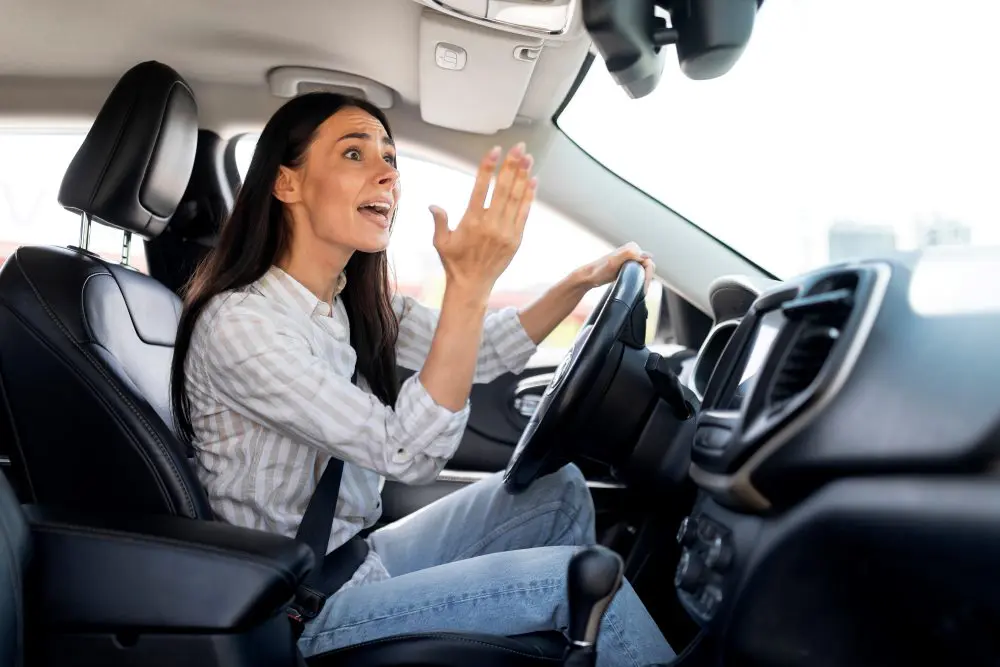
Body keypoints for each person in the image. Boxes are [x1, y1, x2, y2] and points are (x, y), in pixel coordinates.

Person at [169, 91, 675, 667]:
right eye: (355, 154)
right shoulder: (243, 325)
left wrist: (581, 282)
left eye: (390, 158)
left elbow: (475, 351)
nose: (387, 174)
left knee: (558, 494)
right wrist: (469, 282)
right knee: (577, 585)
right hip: (303, 605)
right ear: (287, 184)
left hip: (353, 558)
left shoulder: (345, 302)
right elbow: (406, 451)